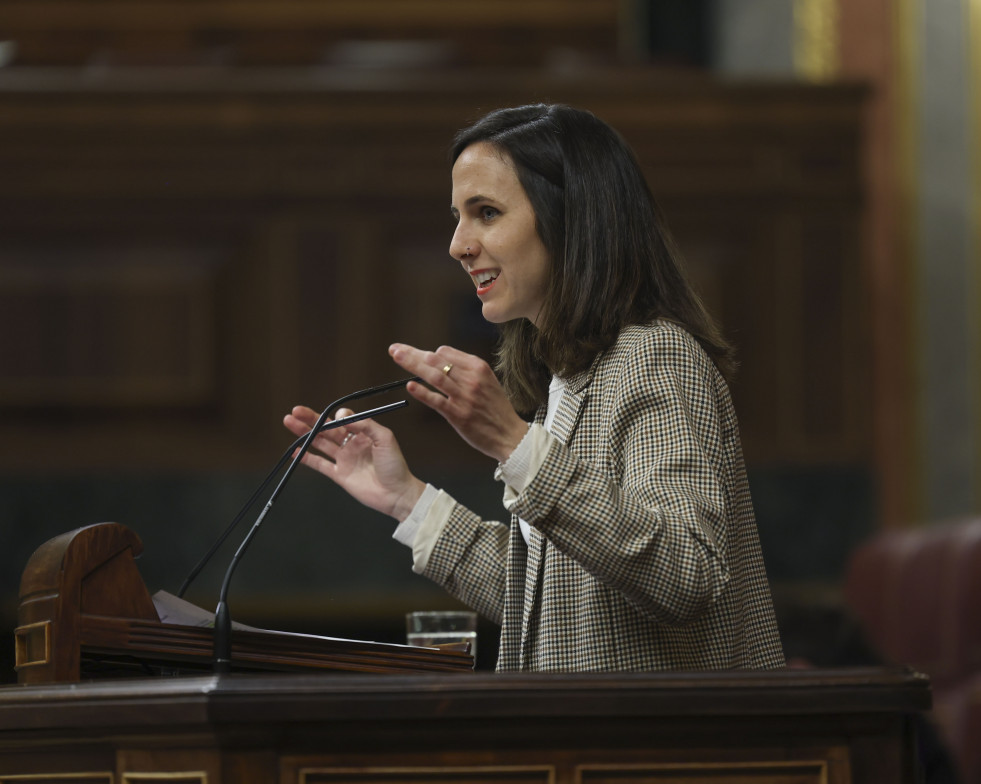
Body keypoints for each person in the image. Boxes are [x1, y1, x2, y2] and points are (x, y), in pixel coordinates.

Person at [284, 104, 784, 672]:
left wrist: (516, 446)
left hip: (663, 752)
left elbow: (686, 575)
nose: (457, 244)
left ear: (569, 218)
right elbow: (553, 605)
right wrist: (408, 501)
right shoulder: (568, 378)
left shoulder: (654, 356)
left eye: (486, 213)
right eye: (458, 216)